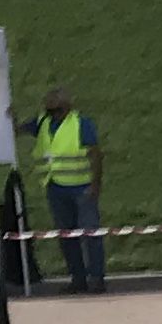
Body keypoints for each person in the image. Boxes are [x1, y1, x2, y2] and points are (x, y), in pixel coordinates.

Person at [27, 84, 106, 291]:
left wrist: (96, 184)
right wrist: (11, 119)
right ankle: (77, 278)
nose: (53, 114)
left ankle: (97, 278)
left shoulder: (81, 124)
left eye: (56, 110)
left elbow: (95, 154)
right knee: (66, 236)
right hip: (56, 188)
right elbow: (20, 129)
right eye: (49, 110)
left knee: (90, 235)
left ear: (67, 107)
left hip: (82, 188)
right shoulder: (43, 122)